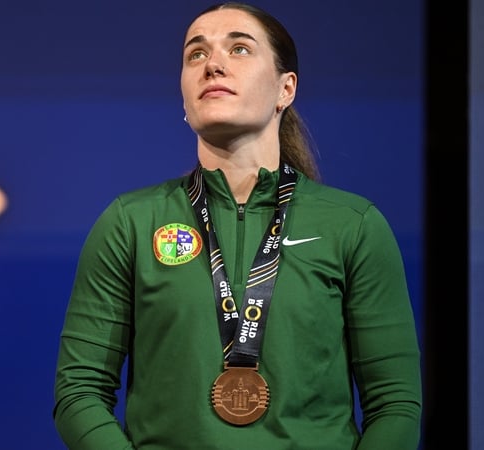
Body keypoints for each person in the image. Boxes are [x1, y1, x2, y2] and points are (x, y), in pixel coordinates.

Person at [52, 2, 423, 449]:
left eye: (240, 49)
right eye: (196, 54)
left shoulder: (354, 225)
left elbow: (395, 404)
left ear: (285, 88)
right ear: (184, 95)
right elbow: (79, 393)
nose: (213, 65)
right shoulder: (131, 221)